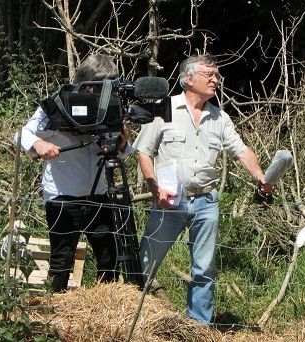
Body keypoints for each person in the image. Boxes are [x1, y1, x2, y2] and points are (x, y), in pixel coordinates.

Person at [133, 54, 273, 323]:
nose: (215, 80)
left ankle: (199, 327)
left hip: (207, 201)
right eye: (209, 75)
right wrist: (155, 189)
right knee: (147, 261)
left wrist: (260, 176)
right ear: (188, 79)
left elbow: (241, 151)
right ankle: (136, 319)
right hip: (169, 200)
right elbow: (143, 152)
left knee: (204, 269)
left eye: (217, 76)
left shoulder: (219, 117)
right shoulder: (164, 107)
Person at [16, 54, 133, 292]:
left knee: (109, 255)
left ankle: (107, 306)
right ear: (87, 82)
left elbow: (117, 153)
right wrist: (39, 145)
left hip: (99, 193)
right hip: (63, 194)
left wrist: (122, 143)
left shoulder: (110, 108)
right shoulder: (58, 104)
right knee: (62, 260)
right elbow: (21, 134)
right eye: (99, 86)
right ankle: (54, 308)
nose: (102, 92)